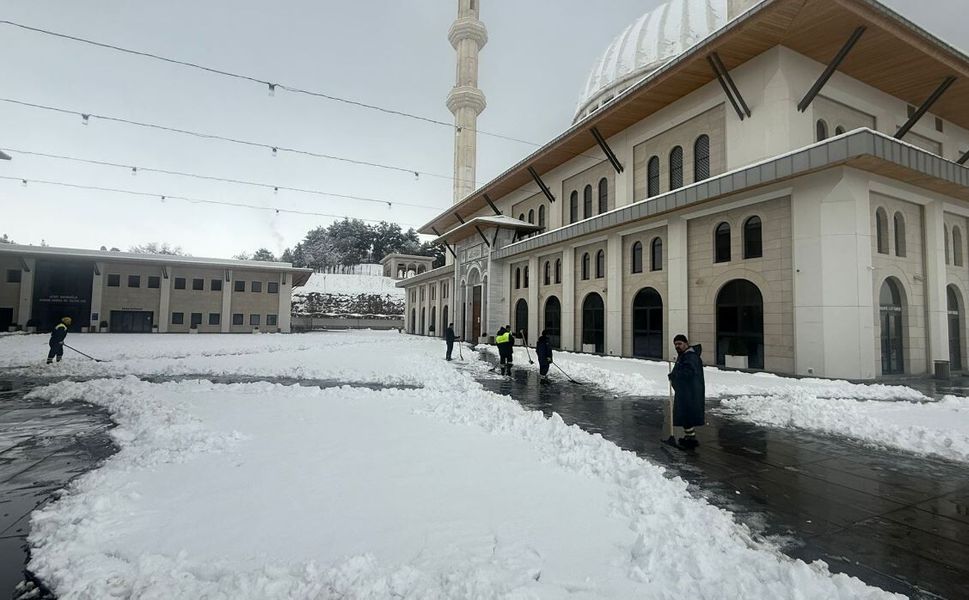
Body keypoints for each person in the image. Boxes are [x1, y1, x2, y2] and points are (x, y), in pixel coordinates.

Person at [668, 334, 705, 449]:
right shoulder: (685, 355)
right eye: (675, 344)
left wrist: (675, 375)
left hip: (690, 392)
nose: (677, 346)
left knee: (686, 415)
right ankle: (690, 438)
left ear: (686, 343)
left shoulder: (690, 356)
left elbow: (689, 372)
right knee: (686, 416)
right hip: (686, 391)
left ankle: (691, 439)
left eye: (679, 344)